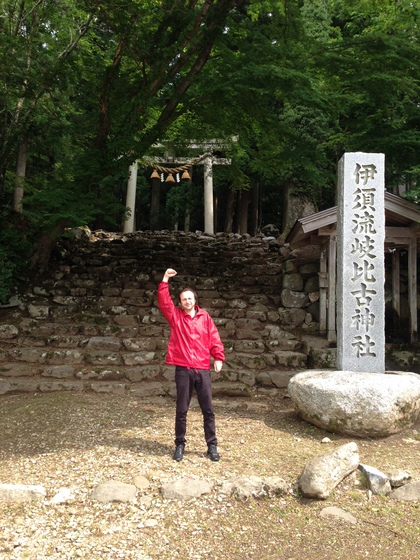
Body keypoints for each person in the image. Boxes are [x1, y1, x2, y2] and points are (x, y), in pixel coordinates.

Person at [157, 268, 225, 462]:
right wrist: (165, 280)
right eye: (184, 299)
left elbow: (214, 338)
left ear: (195, 300)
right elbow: (164, 302)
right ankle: (179, 444)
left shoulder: (205, 318)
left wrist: (218, 357)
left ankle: (212, 446)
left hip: (202, 369)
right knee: (181, 409)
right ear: (180, 302)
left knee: (208, 410)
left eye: (190, 298)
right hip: (183, 369)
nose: (187, 301)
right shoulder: (176, 317)